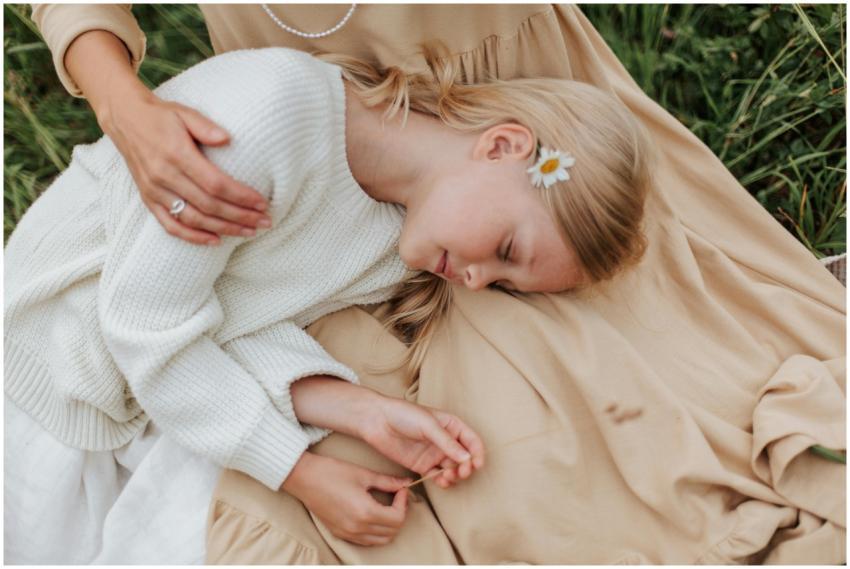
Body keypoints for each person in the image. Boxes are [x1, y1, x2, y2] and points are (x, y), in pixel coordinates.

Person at [24, 5, 846, 564]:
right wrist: (298, 471)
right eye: (505, 250)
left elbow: (231, 315)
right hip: (46, 365)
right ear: (502, 146)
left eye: (504, 280)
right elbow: (147, 333)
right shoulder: (257, 126)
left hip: (122, 380)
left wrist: (356, 409)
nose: (478, 280)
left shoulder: (396, 238)